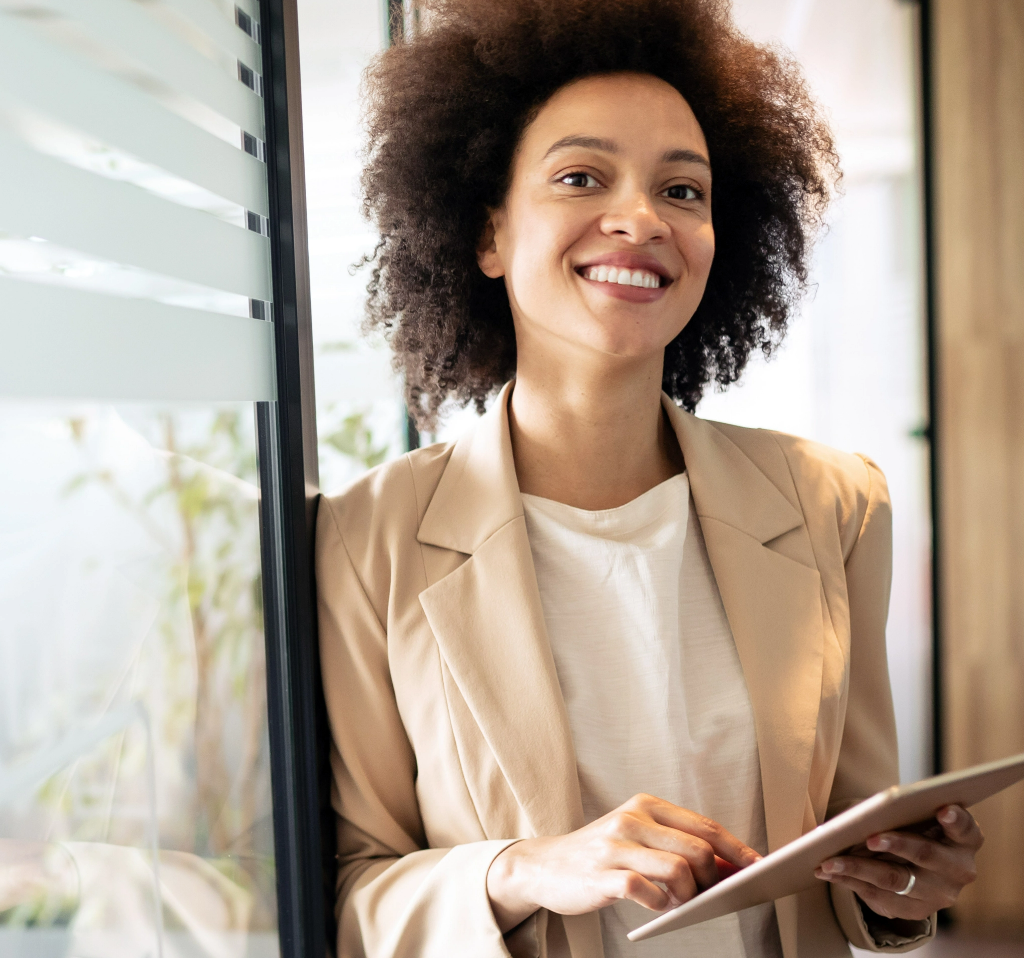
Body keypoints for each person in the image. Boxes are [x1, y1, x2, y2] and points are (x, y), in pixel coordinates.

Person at [317, 1, 981, 956]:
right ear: (487, 232)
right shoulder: (363, 536)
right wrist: (523, 868)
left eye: (684, 190)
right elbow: (343, 896)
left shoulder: (832, 504)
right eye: (581, 176)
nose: (639, 218)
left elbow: (854, 854)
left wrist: (905, 890)